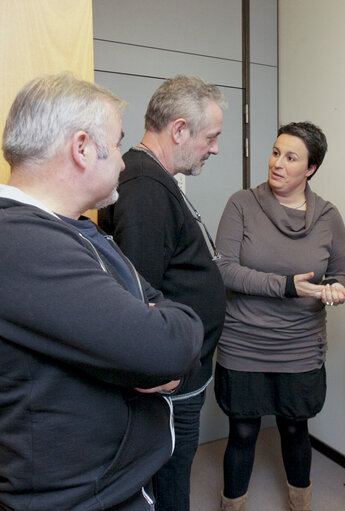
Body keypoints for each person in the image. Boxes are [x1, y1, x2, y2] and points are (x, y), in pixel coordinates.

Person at [0, 72, 203, 511]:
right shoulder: (11, 242)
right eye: (116, 145)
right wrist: (165, 333)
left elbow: (155, 304)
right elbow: (166, 346)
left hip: (110, 489)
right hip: (79, 501)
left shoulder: (68, 231)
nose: (121, 161)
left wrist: (160, 325)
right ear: (81, 148)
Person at [98, 75, 227, 511]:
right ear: (178, 130)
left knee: (174, 470)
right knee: (169, 477)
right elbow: (136, 296)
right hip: (170, 379)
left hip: (181, 371)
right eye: (211, 137)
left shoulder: (151, 178)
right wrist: (157, 368)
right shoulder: (145, 188)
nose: (214, 148)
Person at [214, 122, 345, 511]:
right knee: (243, 430)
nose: (277, 163)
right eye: (276, 152)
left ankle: (300, 503)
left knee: (294, 427)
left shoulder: (329, 216)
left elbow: (340, 276)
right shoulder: (242, 203)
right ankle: (232, 504)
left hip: (301, 344)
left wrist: (334, 291)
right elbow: (224, 269)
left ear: (311, 169)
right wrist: (286, 286)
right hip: (244, 341)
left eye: (291, 157)